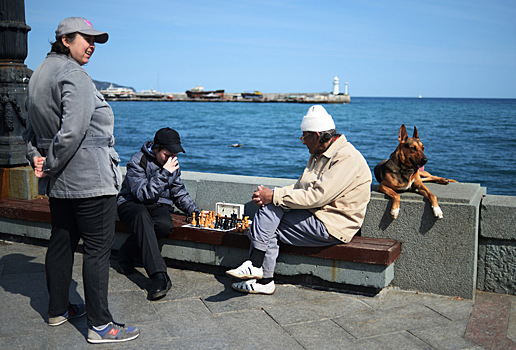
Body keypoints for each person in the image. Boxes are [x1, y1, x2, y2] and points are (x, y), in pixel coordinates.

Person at [23, 17, 139, 343]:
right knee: (97, 251)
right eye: (84, 38)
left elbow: (30, 133)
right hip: (90, 180)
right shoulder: (73, 73)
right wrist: (52, 164)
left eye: (94, 40)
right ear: (64, 40)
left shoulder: (38, 76)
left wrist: (38, 159)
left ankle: (58, 309)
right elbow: (72, 131)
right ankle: (101, 325)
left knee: (61, 243)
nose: (91, 45)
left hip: (60, 185)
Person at [226, 105, 372, 294]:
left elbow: (316, 197)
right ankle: (262, 278)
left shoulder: (346, 157)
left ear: (317, 135)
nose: (302, 142)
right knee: (268, 218)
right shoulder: (319, 153)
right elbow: (300, 188)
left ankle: (258, 269)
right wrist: (272, 194)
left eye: (304, 137)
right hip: (316, 215)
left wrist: (273, 196)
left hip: (333, 225)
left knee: (267, 216)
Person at [116, 127, 199, 300]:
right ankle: (158, 275)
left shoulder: (171, 165)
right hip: (132, 204)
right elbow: (143, 195)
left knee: (164, 226)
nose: (172, 159)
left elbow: (178, 192)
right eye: (167, 155)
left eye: (175, 155)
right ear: (156, 149)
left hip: (157, 205)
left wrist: (195, 211)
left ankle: (125, 252)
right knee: (141, 215)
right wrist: (164, 173)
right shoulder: (138, 161)